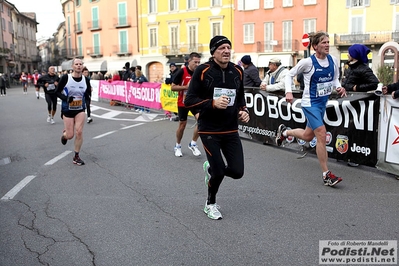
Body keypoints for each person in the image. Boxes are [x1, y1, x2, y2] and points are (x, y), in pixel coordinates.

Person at [184, 36, 250, 220]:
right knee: (220, 170)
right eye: (222, 48)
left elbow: (240, 98)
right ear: (213, 52)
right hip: (209, 129)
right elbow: (189, 100)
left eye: (229, 47)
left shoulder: (237, 71)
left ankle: (211, 169)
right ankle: (210, 203)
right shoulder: (202, 70)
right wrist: (212, 103)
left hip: (230, 129)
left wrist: (243, 111)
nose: (226, 51)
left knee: (237, 172)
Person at [276, 31, 347, 187]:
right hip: (309, 104)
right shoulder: (308, 62)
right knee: (321, 133)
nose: (327, 45)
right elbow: (289, 74)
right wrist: (288, 91)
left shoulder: (333, 61)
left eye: (328, 42)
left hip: (322, 104)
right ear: (315, 46)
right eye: (323, 42)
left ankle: (285, 132)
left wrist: (340, 88)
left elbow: (335, 79)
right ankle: (326, 175)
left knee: (308, 136)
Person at [56, 58, 91, 166]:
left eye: (80, 64)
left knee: (79, 132)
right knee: (70, 135)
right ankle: (65, 135)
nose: (79, 66)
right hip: (67, 108)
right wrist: (65, 98)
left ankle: (76, 156)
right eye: (76, 64)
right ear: (73, 66)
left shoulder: (86, 80)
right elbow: (57, 92)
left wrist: (87, 104)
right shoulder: (66, 78)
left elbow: (87, 93)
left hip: (80, 108)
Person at [171, 52, 202, 157]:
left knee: (202, 121)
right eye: (195, 62)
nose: (197, 64)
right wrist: (185, 87)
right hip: (183, 102)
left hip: (195, 101)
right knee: (182, 125)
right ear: (189, 61)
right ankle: (178, 146)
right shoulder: (181, 72)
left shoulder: (200, 72)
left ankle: (193, 143)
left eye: (199, 62)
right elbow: (173, 87)